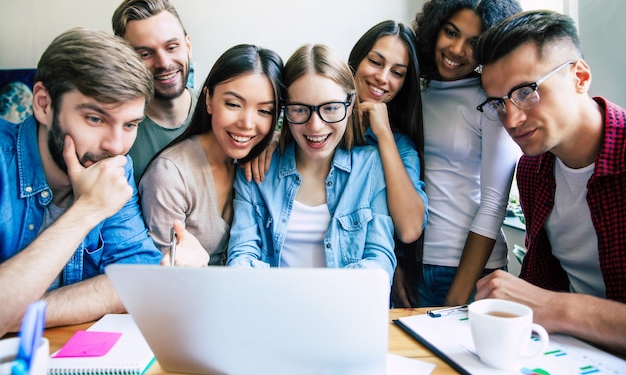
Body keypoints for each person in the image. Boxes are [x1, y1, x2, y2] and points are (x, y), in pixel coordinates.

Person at [474, 10, 626, 354]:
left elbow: (545, 301)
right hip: (570, 353)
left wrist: (556, 307)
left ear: (580, 77)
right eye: (499, 103)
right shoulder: (532, 170)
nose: (510, 119)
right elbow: (543, 282)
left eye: (526, 91)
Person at [0, 28, 162, 336]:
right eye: (95, 119)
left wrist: (21, 311)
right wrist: (86, 210)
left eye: (129, 125)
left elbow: (139, 277)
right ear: (44, 104)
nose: (116, 146)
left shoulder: (110, 166)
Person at [227, 44, 396, 282]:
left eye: (331, 108)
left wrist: (328, 295)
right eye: (299, 110)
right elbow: (242, 252)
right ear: (284, 111)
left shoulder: (369, 166)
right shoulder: (257, 168)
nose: (315, 126)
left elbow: (379, 259)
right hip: (272, 307)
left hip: (342, 309)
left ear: (349, 106)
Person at [412, 0, 522, 306]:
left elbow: (493, 205)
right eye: (451, 32)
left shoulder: (490, 99)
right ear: (435, 28)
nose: (457, 50)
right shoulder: (415, 91)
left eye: (474, 42)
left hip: (471, 270)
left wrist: (457, 297)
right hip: (411, 261)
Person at [139, 44, 284, 265]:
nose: (247, 123)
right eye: (233, 104)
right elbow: (162, 277)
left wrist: (276, 140)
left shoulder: (265, 158)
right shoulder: (170, 174)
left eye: (264, 111)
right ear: (208, 100)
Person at [347, 20, 427, 306]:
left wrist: (383, 134)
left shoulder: (400, 146)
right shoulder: (317, 125)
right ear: (356, 61)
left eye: (397, 72)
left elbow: (409, 229)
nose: (383, 77)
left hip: (365, 292)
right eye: (375, 62)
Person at [112, 0, 198, 184]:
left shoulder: (218, 113)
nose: (164, 63)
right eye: (145, 54)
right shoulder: (116, 135)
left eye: (172, 47)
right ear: (125, 60)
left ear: (188, 46)